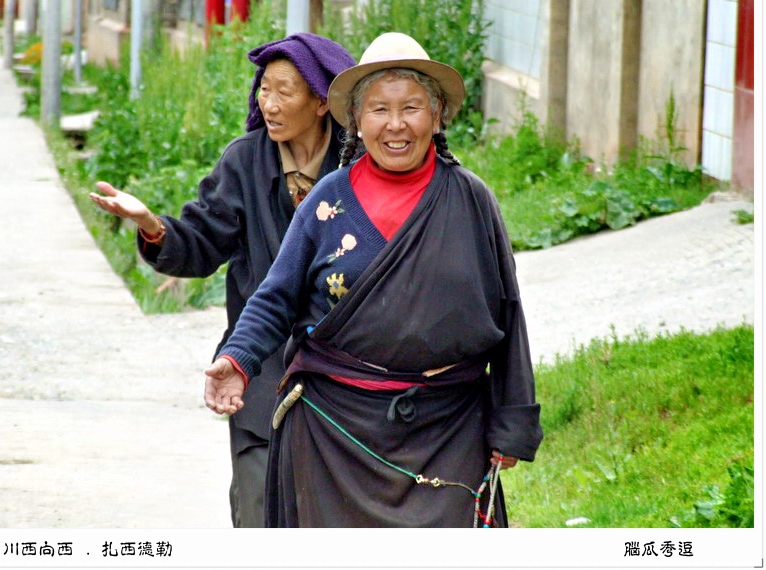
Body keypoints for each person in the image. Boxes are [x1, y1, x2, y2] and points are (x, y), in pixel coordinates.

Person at [203, 32, 543, 527]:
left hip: (449, 431)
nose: (396, 124)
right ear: (358, 122)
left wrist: (512, 421)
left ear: (437, 117)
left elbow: (507, 313)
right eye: (379, 109)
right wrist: (238, 358)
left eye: (412, 107)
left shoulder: (470, 200)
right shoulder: (328, 200)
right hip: (335, 432)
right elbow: (276, 296)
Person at [88, 33, 356, 527]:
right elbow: (202, 242)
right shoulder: (246, 161)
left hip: (345, 378)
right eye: (264, 89)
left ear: (322, 102)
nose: (269, 103)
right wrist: (153, 225)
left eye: (285, 92)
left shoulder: (357, 167)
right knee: (258, 511)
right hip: (260, 369)